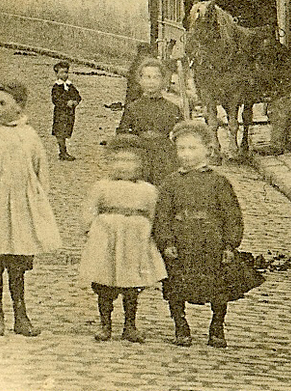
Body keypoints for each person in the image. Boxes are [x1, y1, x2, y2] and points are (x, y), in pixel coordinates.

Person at [0, 81, 62, 337]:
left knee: (17, 266)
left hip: (20, 210)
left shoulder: (29, 136)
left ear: (19, 106)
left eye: (2, 103)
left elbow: (42, 171)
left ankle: (21, 315)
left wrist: (37, 200)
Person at [153, 119, 259, 348]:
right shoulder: (171, 183)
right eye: (181, 148)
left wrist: (230, 245)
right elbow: (161, 215)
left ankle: (217, 325)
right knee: (176, 285)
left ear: (208, 150)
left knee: (218, 287)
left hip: (210, 243)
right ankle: (180, 324)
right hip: (181, 243)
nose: (186, 154)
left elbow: (232, 215)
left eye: (192, 148)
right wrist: (166, 241)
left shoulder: (218, 182)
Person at [78, 135, 165, 343]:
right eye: (118, 160)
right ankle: (105, 324)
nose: (124, 166)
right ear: (109, 163)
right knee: (104, 284)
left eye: (130, 161)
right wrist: (90, 229)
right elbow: (89, 209)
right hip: (107, 236)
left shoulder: (148, 190)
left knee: (132, 286)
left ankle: (130, 325)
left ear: (141, 164)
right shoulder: (102, 187)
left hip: (135, 239)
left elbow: (154, 215)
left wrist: (151, 235)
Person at [116, 57, 182, 185]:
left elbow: (181, 134)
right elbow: (122, 134)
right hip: (140, 155)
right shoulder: (132, 108)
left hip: (165, 157)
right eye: (147, 77)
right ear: (140, 80)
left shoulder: (172, 108)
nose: (151, 82)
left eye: (156, 77)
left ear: (163, 81)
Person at [50, 61, 82, 160]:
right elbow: (56, 100)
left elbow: (78, 95)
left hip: (69, 114)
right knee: (60, 132)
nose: (65, 75)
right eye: (62, 72)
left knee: (66, 131)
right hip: (60, 114)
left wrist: (75, 101)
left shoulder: (70, 85)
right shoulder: (56, 87)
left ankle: (63, 152)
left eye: (66, 72)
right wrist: (65, 103)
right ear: (57, 74)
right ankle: (62, 152)